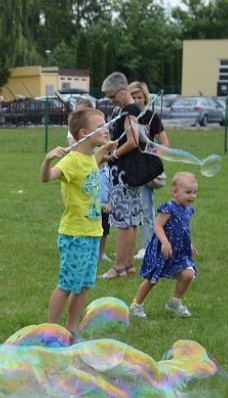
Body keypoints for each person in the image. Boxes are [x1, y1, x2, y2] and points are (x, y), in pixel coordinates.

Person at [40, 107, 115, 337]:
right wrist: (47, 160)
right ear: (84, 132)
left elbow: (93, 161)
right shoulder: (71, 161)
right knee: (67, 284)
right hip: (75, 234)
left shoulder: (90, 157)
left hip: (93, 233)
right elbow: (46, 178)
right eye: (100, 126)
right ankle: (50, 332)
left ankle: (70, 331)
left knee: (84, 286)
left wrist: (104, 149)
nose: (106, 129)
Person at [129, 172, 199, 319]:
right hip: (163, 250)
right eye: (188, 192)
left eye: (194, 192)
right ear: (174, 192)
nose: (192, 196)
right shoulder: (169, 208)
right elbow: (158, 226)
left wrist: (189, 243)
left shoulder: (187, 209)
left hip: (179, 251)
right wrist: (165, 242)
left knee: (188, 274)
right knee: (152, 280)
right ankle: (136, 305)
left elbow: (182, 229)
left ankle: (175, 301)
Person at [101, 72, 143, 280]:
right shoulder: (131, 110)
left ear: (123, 90)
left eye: (112, 96)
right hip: (131, 172)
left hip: (124, 172)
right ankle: (128, 265)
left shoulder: (128, 111)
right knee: (132, 220)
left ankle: (118, 267)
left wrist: (112, 155)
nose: (111, 100)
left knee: (123, 221)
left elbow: (133, 140)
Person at [130, 81, 169, 260]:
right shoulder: (125, 116)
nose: (137, 101)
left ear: (146, 98)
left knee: (146, 208)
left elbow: (164, 143)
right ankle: (129, 247)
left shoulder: (152, 117)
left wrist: (153, 160)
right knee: (129, 209)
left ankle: (147, 247)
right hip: (128, 168)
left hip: (145, 169)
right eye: (134, 97)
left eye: (140, 97)